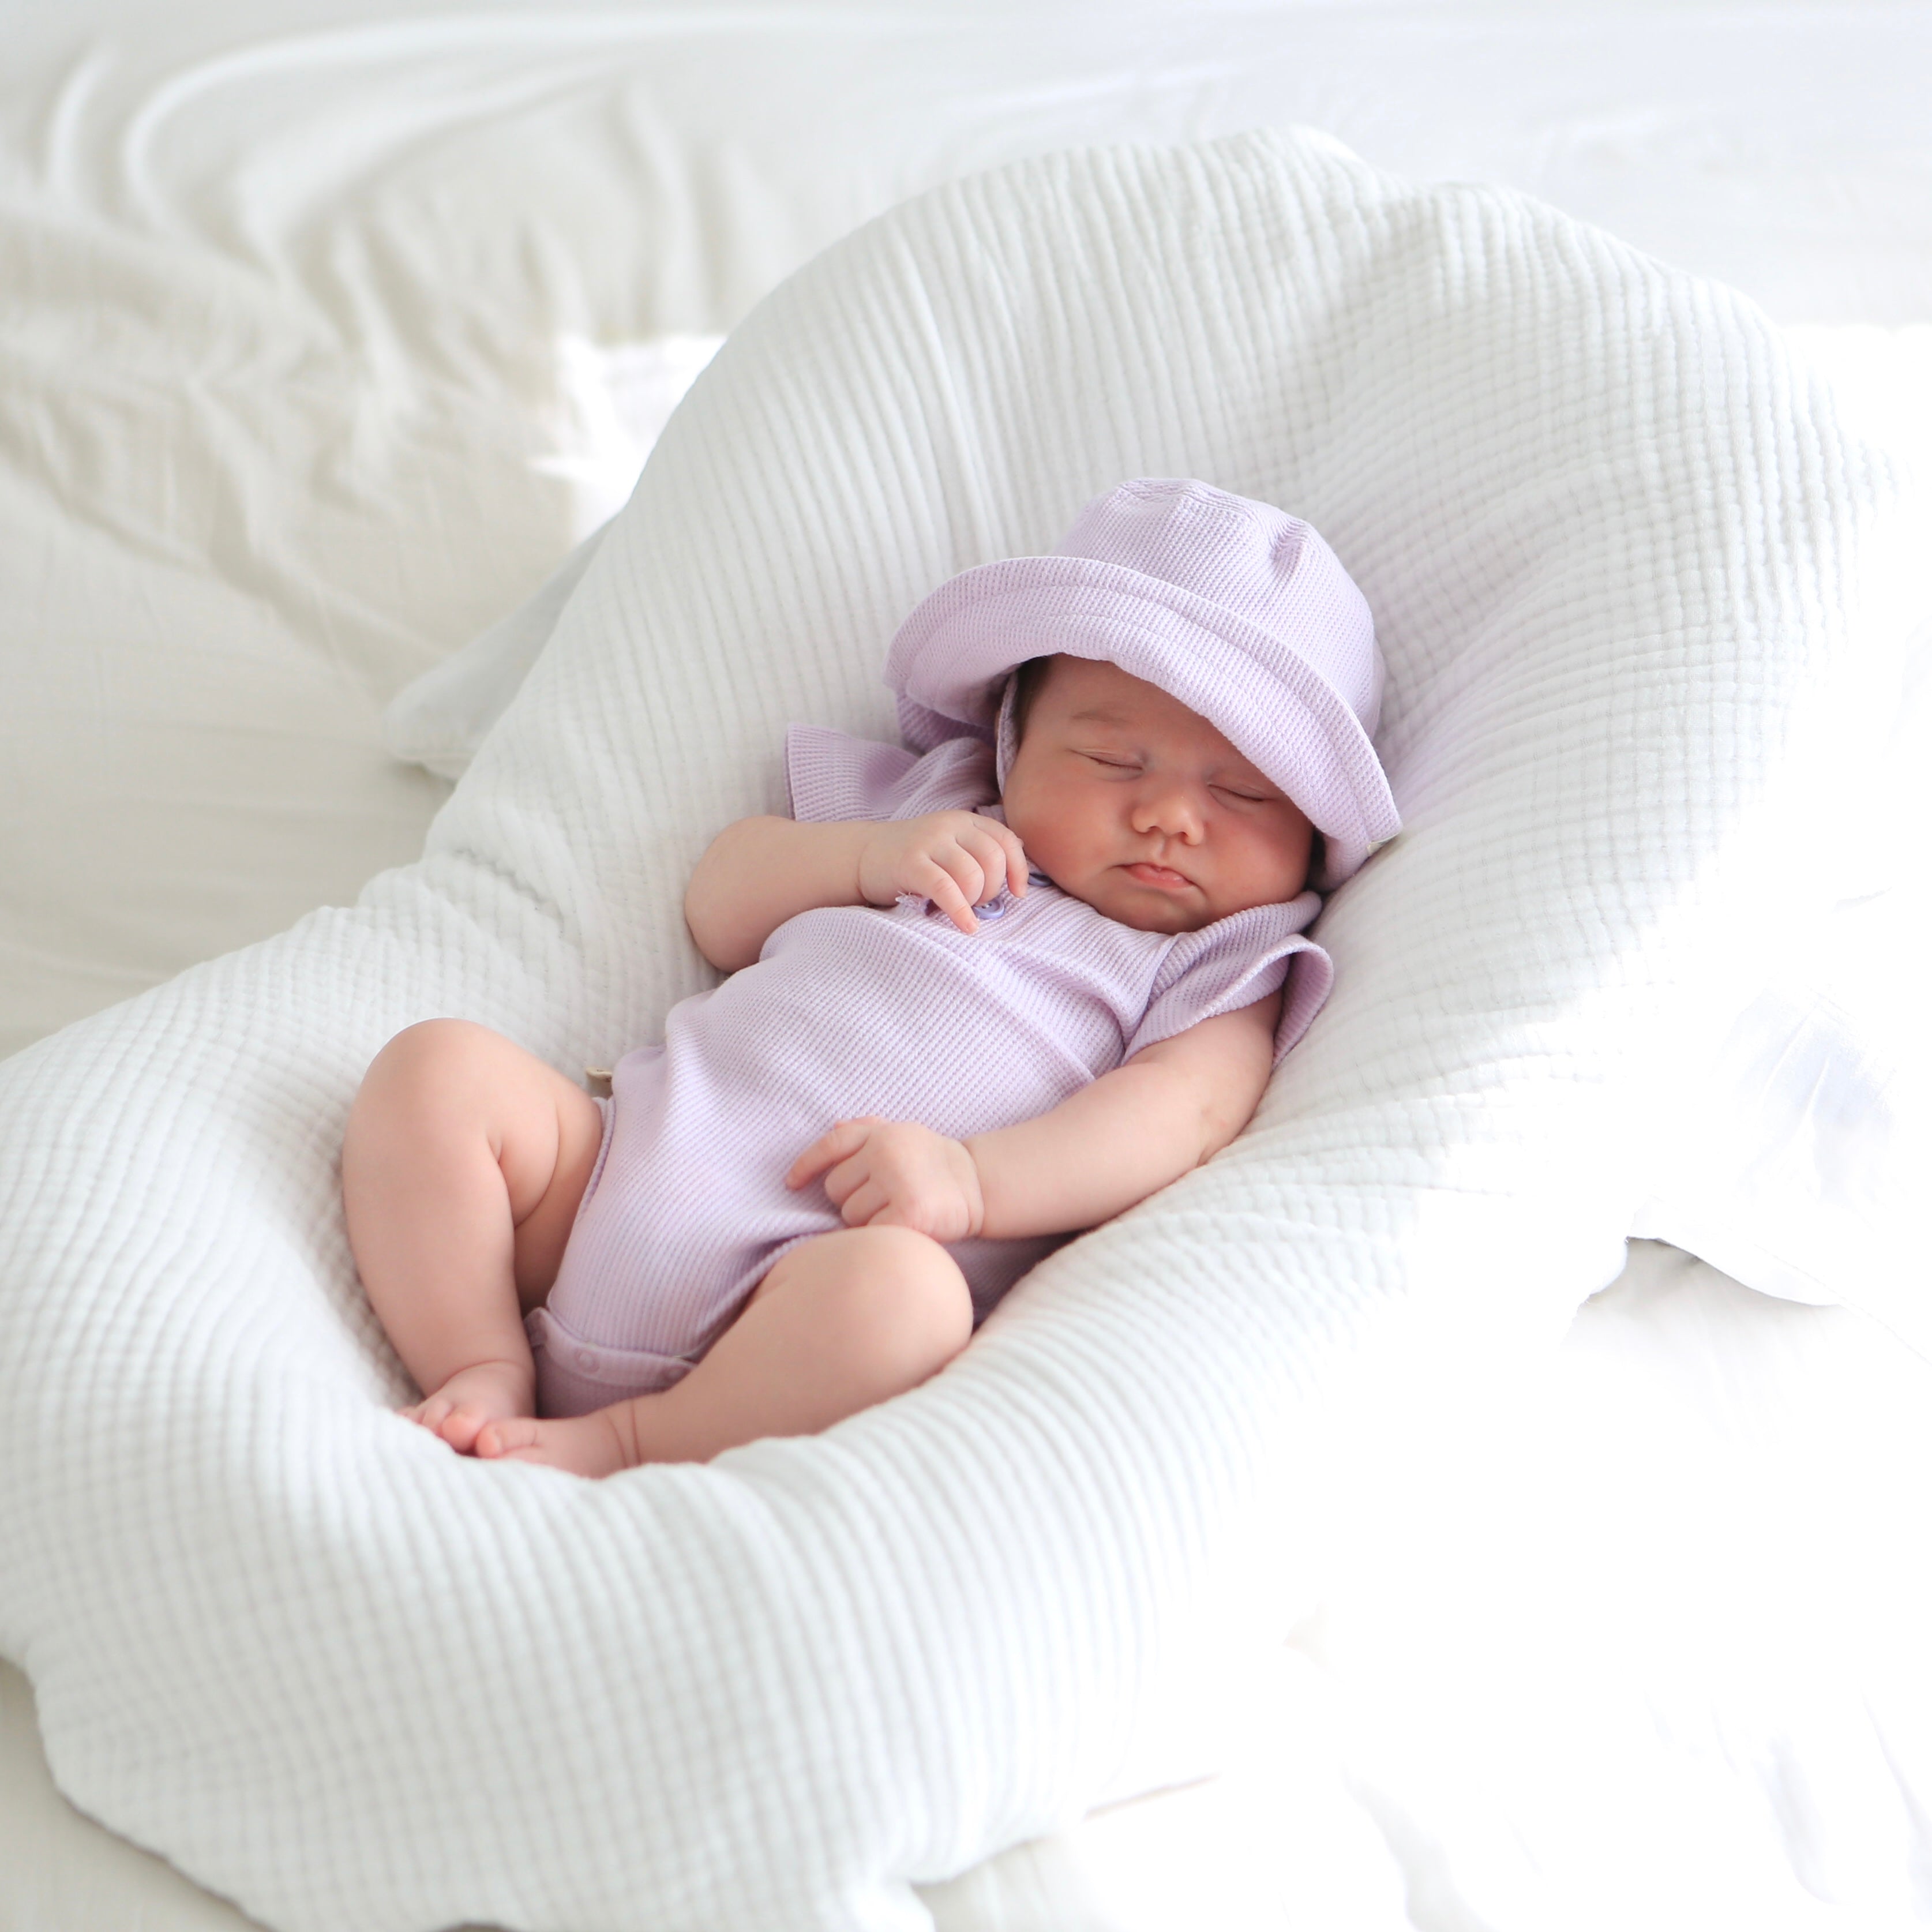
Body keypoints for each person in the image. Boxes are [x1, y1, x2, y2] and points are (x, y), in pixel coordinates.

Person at [341, 478, 1401, 1477]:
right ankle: (479, 1360)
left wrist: (975, 1180)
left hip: (804, 1282)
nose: (1172, 815)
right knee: (437, 1072)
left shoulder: (1216, 956)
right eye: (1115, 762)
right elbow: (718, 902)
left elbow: (1182, 1112)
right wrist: (861, 859)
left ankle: (630, 1439)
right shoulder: (938, 810)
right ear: (1009, 743)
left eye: (1243, 794)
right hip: (608, 1176)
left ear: (1309, 836)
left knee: (906, 1303)